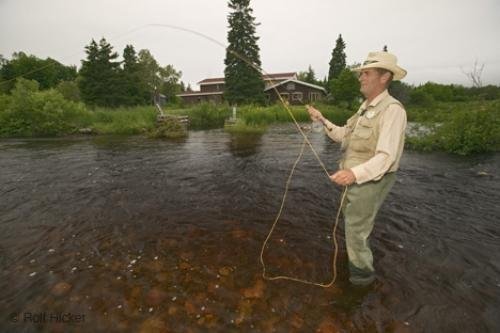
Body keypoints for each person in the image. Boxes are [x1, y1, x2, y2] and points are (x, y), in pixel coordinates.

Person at [306, 51, 407, 286]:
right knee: (353, 223)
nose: (361, 77)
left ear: (384, 77)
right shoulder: (364, 108)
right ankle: (355, 268)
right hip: (356, 180)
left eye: (366, 73)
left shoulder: (393, 110)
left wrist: (353, 173)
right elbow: (342, 135)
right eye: (361, 73)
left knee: (356, 229)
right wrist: (321, 119)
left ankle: (361, 278)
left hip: (370, 180)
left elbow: (387, 157)